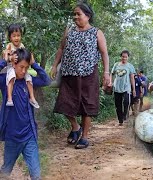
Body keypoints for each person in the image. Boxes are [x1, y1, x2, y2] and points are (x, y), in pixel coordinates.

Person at [50, 2, 111, 149]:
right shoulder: (69, 31)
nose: (75, 17)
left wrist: (106, 73)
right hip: (69, 75)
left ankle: (84, 137)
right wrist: (54, 65)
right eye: (74, 14)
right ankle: (76, 127)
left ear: (88, 16)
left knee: (87, 105)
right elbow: (61, 48)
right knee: (64, 103)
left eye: (79, 14)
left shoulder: (97, 32)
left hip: (89, 75)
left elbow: (104, 54)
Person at [0, 48, 51, 180]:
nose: (23, 71)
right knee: (5, 171)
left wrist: (34, 64)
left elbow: (46, 81)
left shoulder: (28, 81)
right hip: (12, 137)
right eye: (21, 67)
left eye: (26, 68)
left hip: (29, 137)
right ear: (14, 65)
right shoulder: (5, 81)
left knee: (36, 174)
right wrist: (5, 61)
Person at [1, 23, 39, 108]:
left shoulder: (22, 46)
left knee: (29, 79)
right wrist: (11, 58)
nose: (16, 38)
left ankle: (32, 97)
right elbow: (6, 56)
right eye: (14, 36)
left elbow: (24, 56)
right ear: (10, 37)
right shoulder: (9, 46)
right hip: (11, 67)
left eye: (18, 35)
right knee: (11, 79)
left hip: (21, 68)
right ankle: (9, 99)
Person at [110, 50, 136, 126]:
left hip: (126, 88)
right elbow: (111, 74)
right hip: (117, 87)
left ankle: (125, 115)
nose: (124, 58)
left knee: (126, 102)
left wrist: (133, 89)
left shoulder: (130, 66)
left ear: (128, 58)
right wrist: (110, 82)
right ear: (121, 57)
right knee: (118, 105)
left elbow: (132, 78)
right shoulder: (116, 65)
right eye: (123, 57)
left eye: (125, 57)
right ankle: (120, 120)